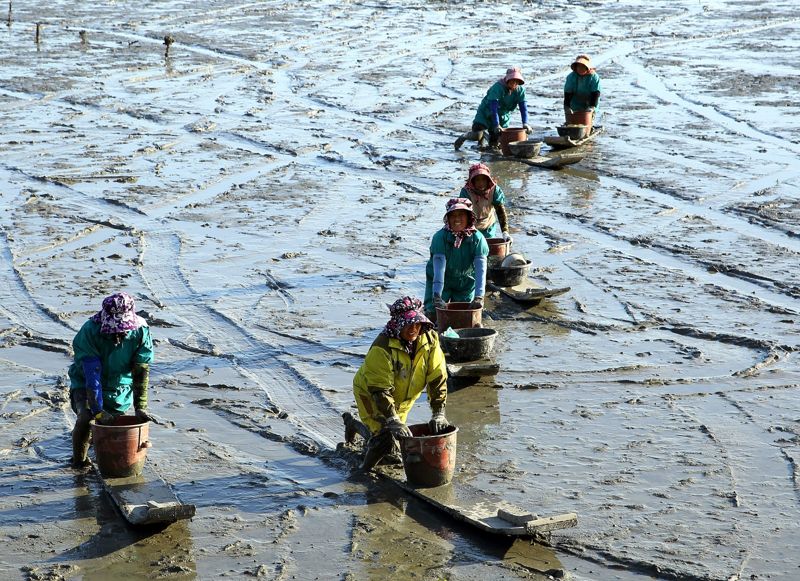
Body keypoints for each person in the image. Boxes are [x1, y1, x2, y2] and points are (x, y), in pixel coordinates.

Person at [345, 296, 449, 470]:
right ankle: (364, 471)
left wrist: (438, 411)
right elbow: (380, 390)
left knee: (393, 447)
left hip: (404, 397)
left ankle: (353, 424)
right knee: (383, 440)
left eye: (417, 324)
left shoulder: (429, 339)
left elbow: (437, 376)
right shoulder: (382, 347)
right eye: (408, 324)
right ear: (397, 323)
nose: (413, 329)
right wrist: (393, 419)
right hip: (371, 393)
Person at [68, 292, 154, 468]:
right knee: (86, 418)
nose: (119, 333)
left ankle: (102, 446)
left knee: (115, 425)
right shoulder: (90, 332)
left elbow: (141, 371)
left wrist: (141, 407)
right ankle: (79, 461)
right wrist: (97, 409)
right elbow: (93, 375)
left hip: (119, 387)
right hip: (86, 385)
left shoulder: (141, 330)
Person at [424, 198, 489, 319]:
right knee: (433, 314)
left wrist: (479, 296)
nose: (457, 219)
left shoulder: (478, 239)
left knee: (463, 316)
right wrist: (437, 296)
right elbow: (439, 269)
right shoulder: (439, 238)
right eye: (453, 215)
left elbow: (481, 270)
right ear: (447, 218)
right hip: (440, 279)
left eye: (461, 215)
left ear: (469, 217)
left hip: (465, 281)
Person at [454, 67, 533, 150]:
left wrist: (525, 123)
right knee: (477, 135)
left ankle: (483, 143)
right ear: (507, 79)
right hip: (486, 113)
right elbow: (493, 109)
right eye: (512, 80)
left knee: (495, 144)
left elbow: (523, 109)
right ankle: (464, 136)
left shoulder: (520, 91)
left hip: (503, 116)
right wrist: (496, 124)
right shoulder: (497, 88)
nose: (514, 83)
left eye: (516, 81)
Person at [457, 163, 512, 242]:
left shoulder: (494, 190)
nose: (481, 183)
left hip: (488, 225)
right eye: (477, 180)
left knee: (489, 248)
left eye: (483, 179)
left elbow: (500, 211)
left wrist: (505, 232)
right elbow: (462, 214)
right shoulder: (466, 192)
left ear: (488, 180)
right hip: (471, 227)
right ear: (472, 181)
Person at [564, 54, 601, 126]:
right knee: (573, 123)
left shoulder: (594, 77)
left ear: (587, 68)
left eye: (583, 67)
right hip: (575, 103)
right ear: (576, 67)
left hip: (590, 101)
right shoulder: (571, 77)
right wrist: (567, 107)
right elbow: (568, 93)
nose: (580, 69)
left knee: (587, 121)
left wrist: (592, 107)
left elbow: (595, 93)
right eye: (579, 66)